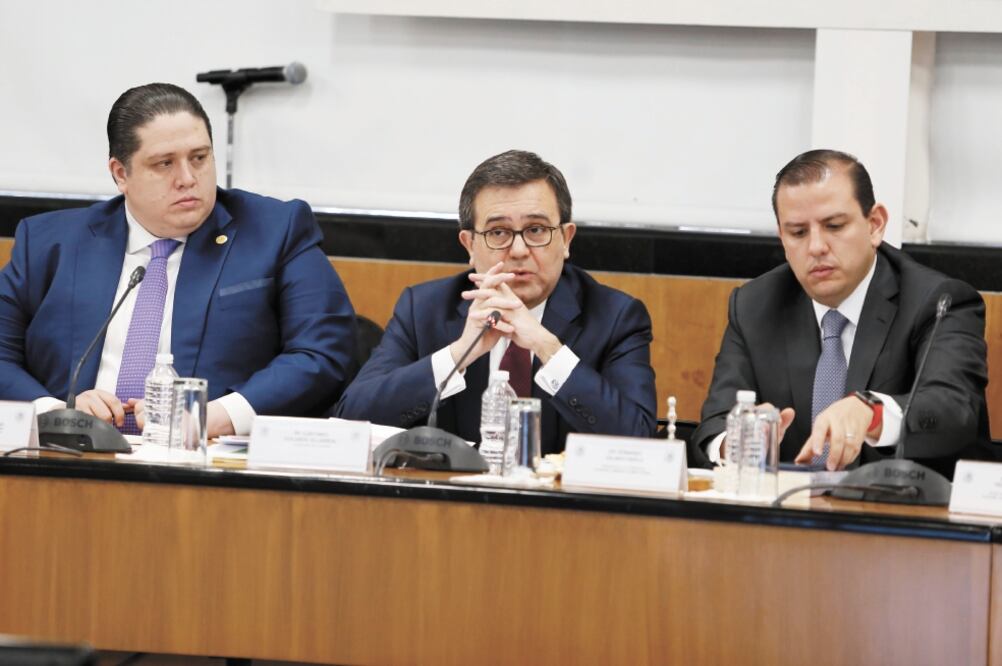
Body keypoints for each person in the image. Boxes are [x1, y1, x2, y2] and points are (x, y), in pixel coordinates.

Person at [0, 83, 355, 437]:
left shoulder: (275, 231)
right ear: (121, 174)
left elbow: (323, 352)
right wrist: (56, 414)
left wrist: (214, 417)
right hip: (71, 458)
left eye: (199, 158)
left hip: (208, 459)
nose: (187, 179)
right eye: (164, 163)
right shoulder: (50, 243)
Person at [691, 149, 990, 477]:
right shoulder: (755, 306)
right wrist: (735, 444)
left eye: (834, 226)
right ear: (782, 238)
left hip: (906, 505)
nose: (816, 247)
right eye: (798, 232)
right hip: (791, 506)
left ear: (875, 225)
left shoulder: (938, 301)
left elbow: (954, 411)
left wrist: (872, 413)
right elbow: (714, 426)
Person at [336, 149, 656, 454]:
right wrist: (459, 354)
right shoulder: (423, 310)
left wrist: (547, 347)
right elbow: (351, 420)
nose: (518, 250)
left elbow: (639, 440)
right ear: (469, 245)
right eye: (498, 232)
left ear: (566, 239)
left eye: (536, 229)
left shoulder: (615, 317)